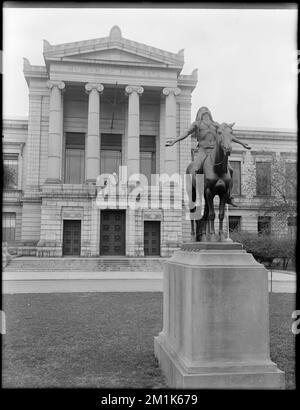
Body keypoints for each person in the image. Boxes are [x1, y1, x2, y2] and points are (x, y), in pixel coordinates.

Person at [165, 106, 251, 207]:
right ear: (199, 113)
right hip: (203, 150)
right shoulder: (197, 124)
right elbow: (186, 133)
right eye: (203, 110)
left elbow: (227, 134)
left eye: (207, 110)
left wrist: (242, 143)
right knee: (197, 168)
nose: (205, 111)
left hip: (214, 151)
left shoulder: (216, 125)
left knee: (230, 169)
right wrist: (174, 141)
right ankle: (202, 190)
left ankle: (229, 196)